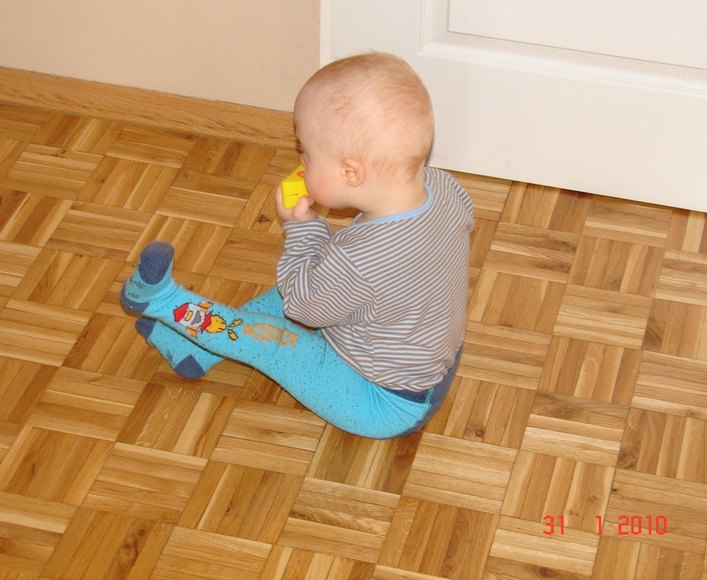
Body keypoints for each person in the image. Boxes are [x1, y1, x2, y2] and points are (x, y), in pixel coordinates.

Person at [121, 52, 474, 439]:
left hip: (383, 403)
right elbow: (390, 265)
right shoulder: (445, 189)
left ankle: (159, 301)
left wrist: (302, 228)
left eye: (305, 151)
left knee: (275, 341)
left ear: (350, 172)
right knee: (305, 287)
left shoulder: (356, 261)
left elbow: (302, 307)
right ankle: (196, 352)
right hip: (430, 363)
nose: (301, 159)